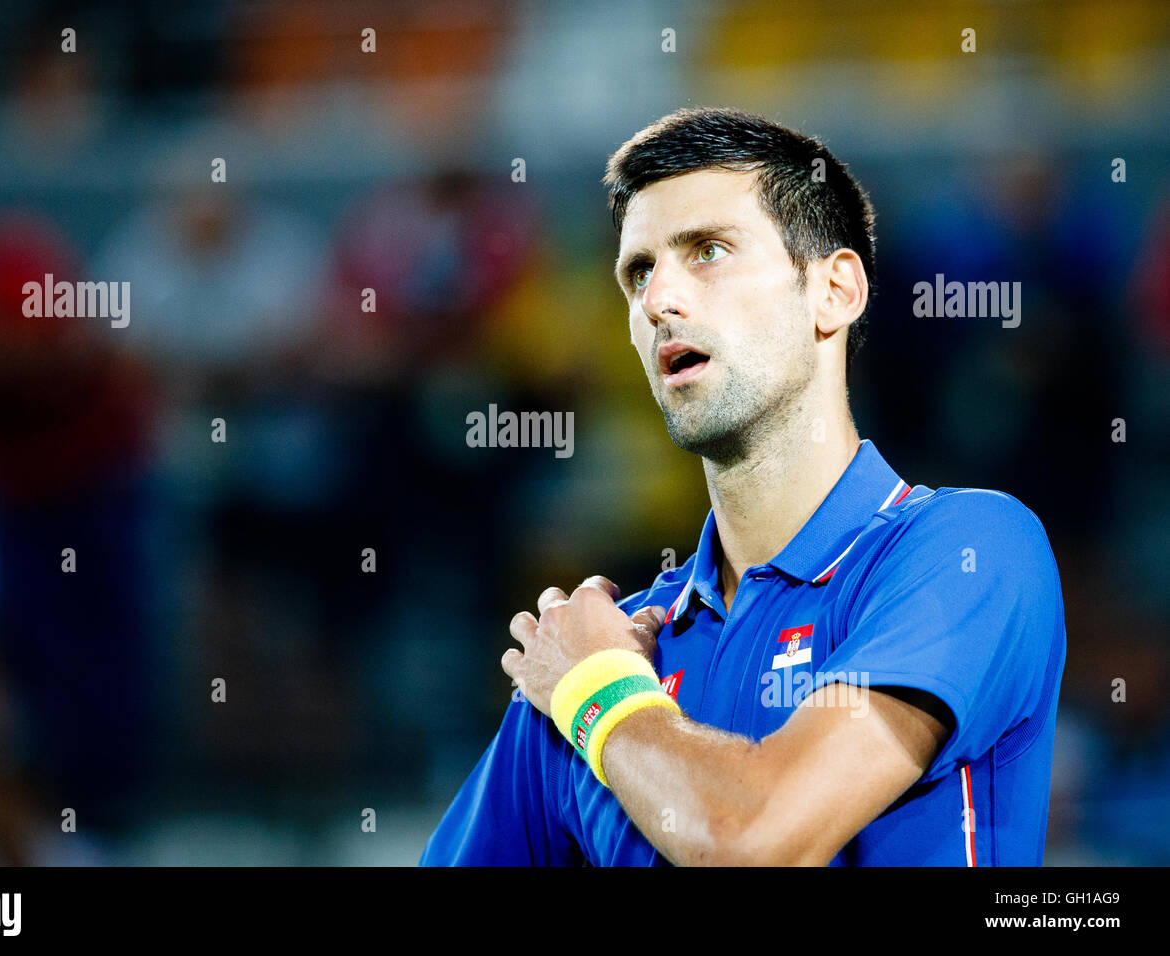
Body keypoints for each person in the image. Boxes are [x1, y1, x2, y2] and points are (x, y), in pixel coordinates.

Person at [420, 108, 1066, 866]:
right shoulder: (600, 643)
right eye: (638, 272)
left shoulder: (970, 551)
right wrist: (592, 680)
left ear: (835, 291)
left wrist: (597, 694)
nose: (659, 301)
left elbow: (756, 843)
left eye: (708, 251)